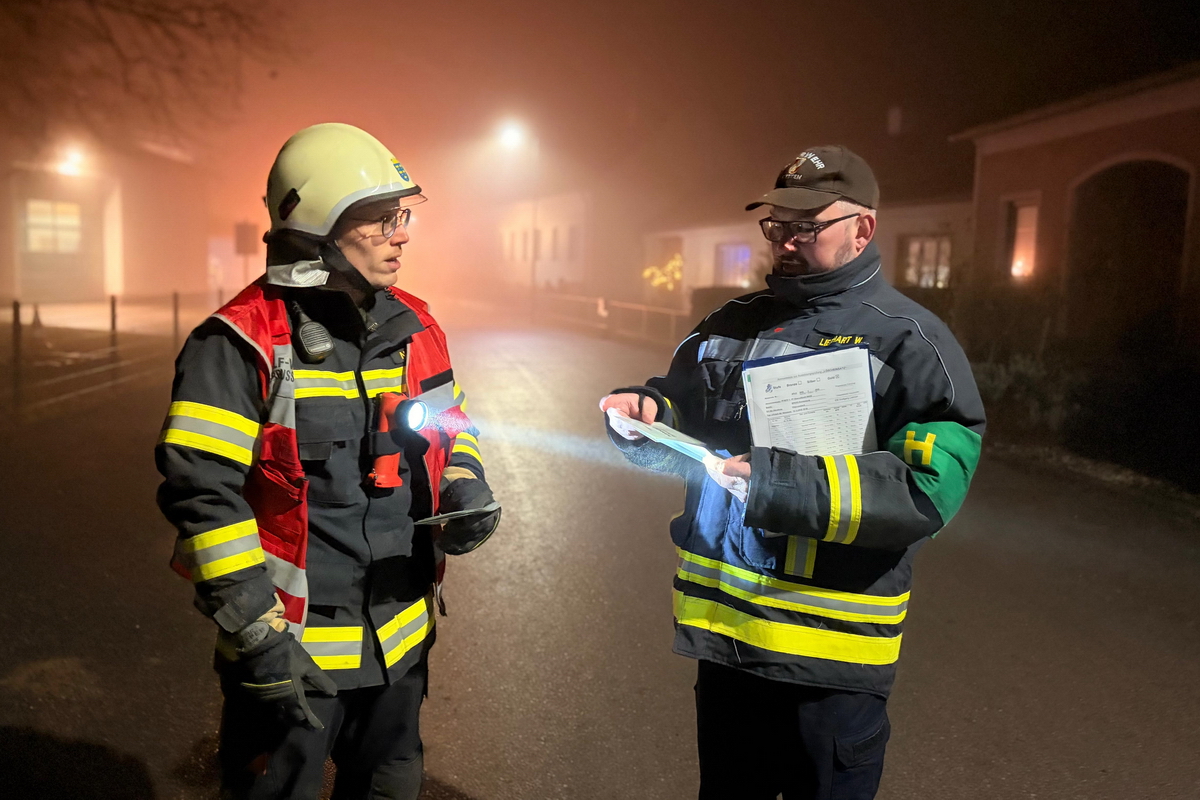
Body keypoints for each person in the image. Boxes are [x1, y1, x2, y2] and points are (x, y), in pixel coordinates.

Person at [599, 145, 985, 800]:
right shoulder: (728, 325)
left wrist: (782, 485)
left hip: (830, 671)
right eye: (776, 226)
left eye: (805, 227)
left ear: (863, 229)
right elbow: (682, 424)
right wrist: (644, 414)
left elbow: (927, 490)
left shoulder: (911, 344)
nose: (785, 242)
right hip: (729, 652)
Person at [156, 122, 501, 800]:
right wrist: (257, 636)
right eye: (379, 220)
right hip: (288, 654)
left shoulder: (418, 329)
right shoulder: (239, 344)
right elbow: (204, 496)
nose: (401, 233)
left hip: (399, 647)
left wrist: (465, 487)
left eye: (400, 216)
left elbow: (455, 430)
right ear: (317, 226)